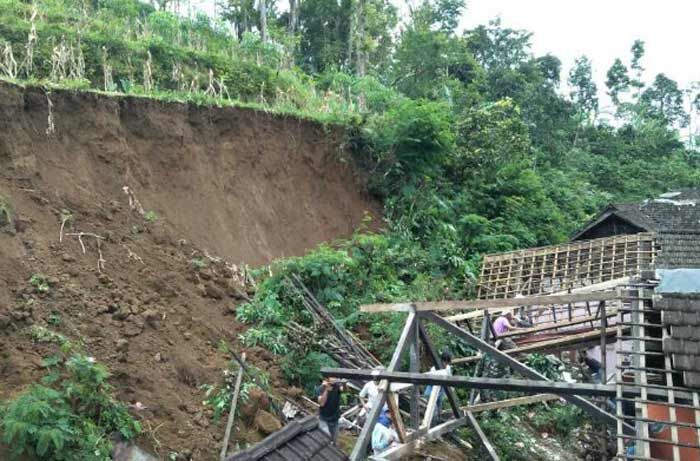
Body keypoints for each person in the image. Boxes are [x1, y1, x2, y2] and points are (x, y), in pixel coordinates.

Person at [423, 350, 453, 425]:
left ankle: (437, 428)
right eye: (445, 362)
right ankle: (431, 429)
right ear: (442, 360)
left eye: (447, 363)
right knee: (434, 413)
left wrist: (451, 391)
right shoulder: (434, 369)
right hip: (431, 393)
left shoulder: (448, 368)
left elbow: (450, 380)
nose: (446, 364)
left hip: (440, 393)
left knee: (439, 412)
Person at [317, 377, 345, 445]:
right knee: (325, 437)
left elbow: (343, 390)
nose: (334, 379)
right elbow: (322, 403)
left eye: (335, 377)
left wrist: (344, 383)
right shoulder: (321, 388)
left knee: (334, 440)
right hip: (324, 418)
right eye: (332, 377)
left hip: (334, 418)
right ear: (328, 378)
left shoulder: (337, 386)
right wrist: (326, 389)